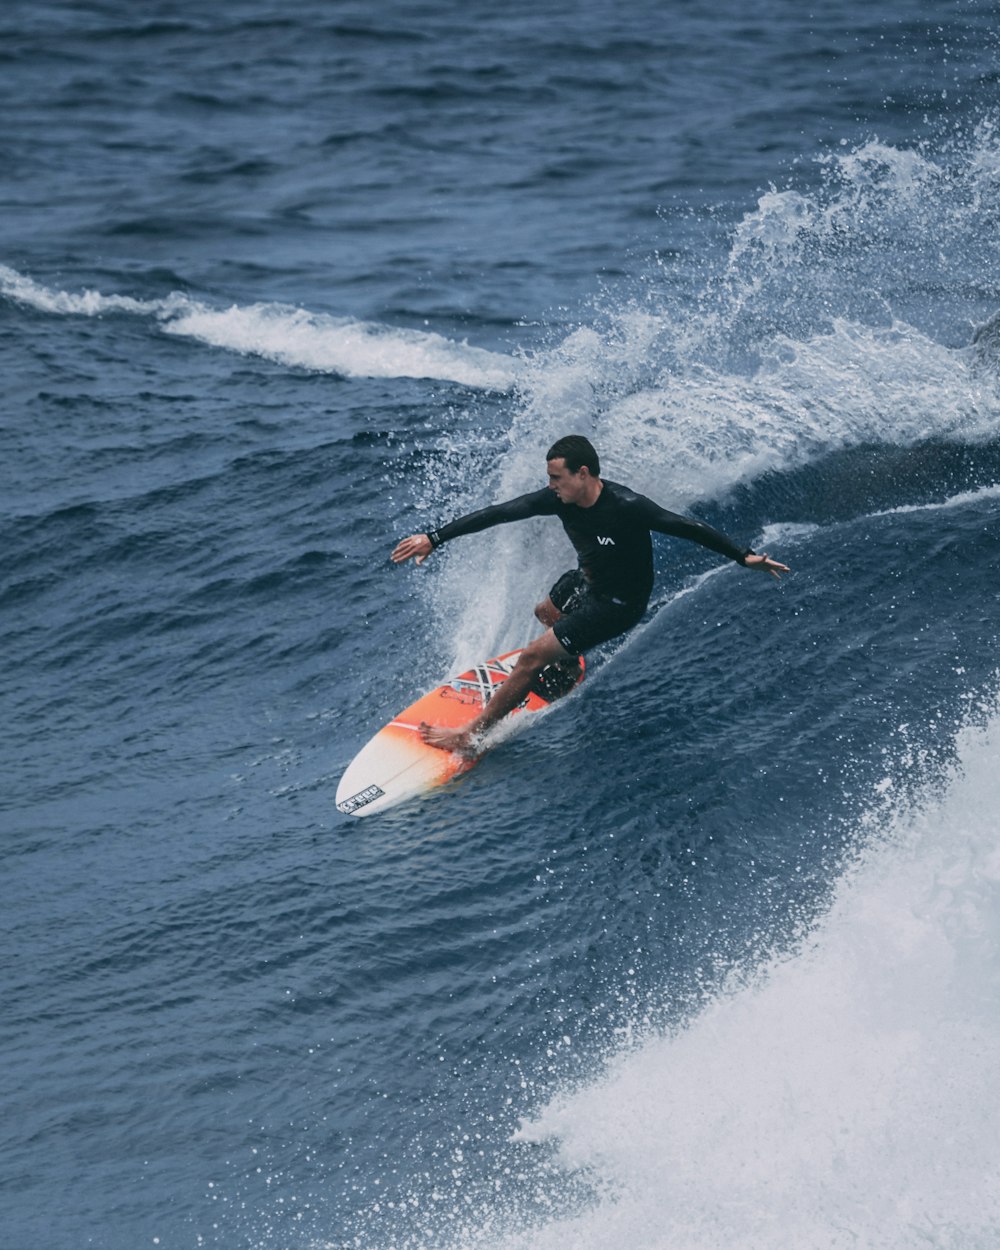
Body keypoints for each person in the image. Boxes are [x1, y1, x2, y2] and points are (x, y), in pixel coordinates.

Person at [391, 435, 788, 754]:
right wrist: (434, 537)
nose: (550, 487)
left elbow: (686, 526)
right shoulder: (559, 500)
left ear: (582, 474)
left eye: (556, 478)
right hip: (589, 580)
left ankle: (469, 735)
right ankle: (565, 665)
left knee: (530, 658)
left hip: (620, 605)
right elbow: (499, 512)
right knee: (545, 611)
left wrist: (742, 556)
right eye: (549, 480)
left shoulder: (627, 506)